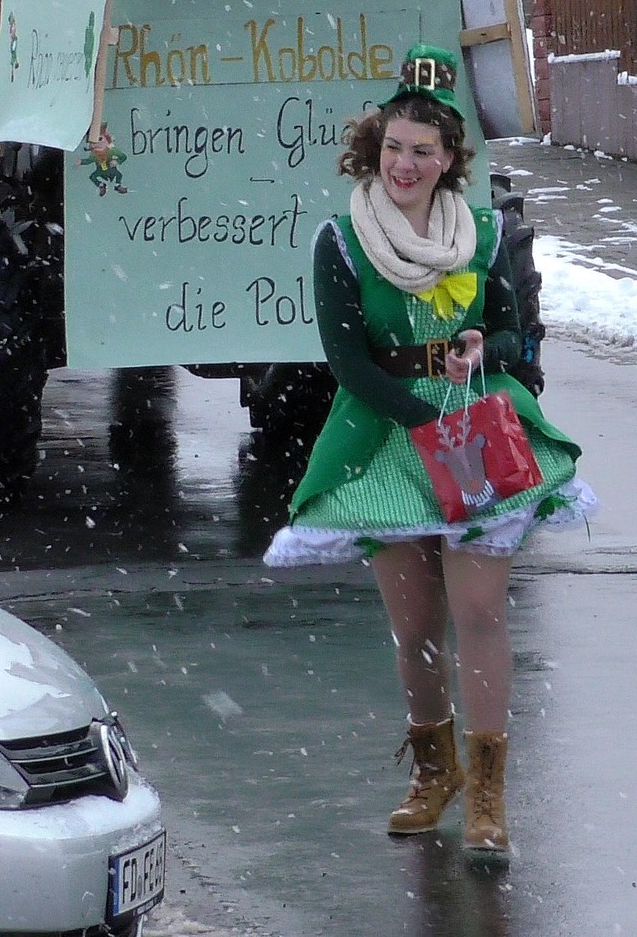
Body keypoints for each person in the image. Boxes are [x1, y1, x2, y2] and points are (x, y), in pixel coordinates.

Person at [263, 45, 596, 856]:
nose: (404, 164)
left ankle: (487, 792)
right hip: (385, 433)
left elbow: (516, 330)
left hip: (476, 426)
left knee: (480, 613)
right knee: (414, 626)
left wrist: (485, 343)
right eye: (392, 147)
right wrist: (422, 418)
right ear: (373, 149)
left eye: (422, 150)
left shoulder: (479, 233)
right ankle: (433, 769)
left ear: (449, 160)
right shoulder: (340, 241)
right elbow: (345, 362)